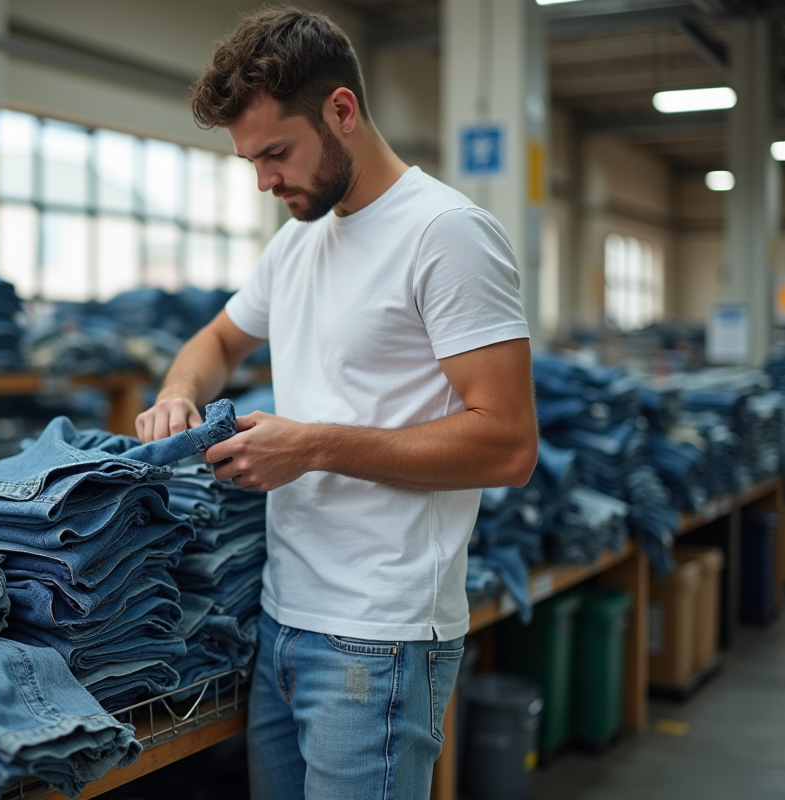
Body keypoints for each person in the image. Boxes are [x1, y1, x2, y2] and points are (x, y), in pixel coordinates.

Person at [134, 7, 539, 800]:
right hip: (283, 617)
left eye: (276, 153)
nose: (264, 180)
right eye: (250, 161)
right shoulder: (298, 240)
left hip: (379, 638)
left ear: (342, 112)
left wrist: (313, 445)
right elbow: (216, 343)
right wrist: (178, 393)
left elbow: (509, 445)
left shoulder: (446, 234)